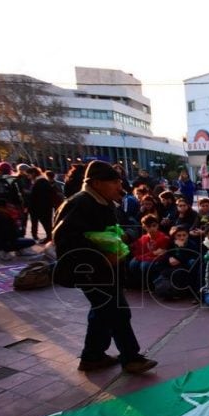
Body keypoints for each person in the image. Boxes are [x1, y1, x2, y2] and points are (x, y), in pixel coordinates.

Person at [52, 160, 158, 374]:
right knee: (117, 311)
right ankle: (131, 357)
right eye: (115, 182)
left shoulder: (105, 202)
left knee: (101, 312)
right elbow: (64, 240)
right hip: (91, 272)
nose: (120, 187)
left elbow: (110, 233)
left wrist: (124, 238)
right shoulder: (79, 204)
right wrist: (100, 258)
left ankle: (92, 356)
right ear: (97, 183)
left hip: (107, 271)